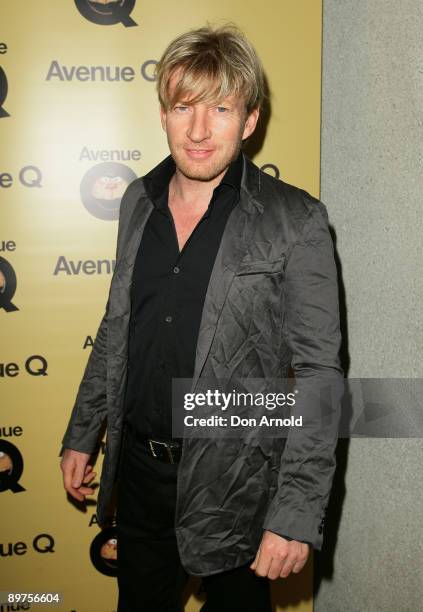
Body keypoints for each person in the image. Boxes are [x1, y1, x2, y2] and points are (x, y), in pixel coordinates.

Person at [60, 24, 343, 612]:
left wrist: (295, 513)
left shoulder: (297, 221)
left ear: (250, 120)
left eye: (220, 107)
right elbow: (118, 326)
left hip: (237, 483)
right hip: (140, 474)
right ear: (162, 112)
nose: (197, 129)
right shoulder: (138, 200)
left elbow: (320, 377)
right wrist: (84, 432)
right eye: (183, 105)